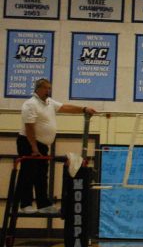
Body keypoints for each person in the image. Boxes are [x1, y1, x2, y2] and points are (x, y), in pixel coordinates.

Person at [17, 78, 96, 214]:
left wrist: (84, 109)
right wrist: (34, 148)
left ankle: (43, 205)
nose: (48, 90)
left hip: (42, 145)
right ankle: (25, 205)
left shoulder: (49, 102)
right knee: (28, 174)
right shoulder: (30, 104)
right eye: (46, 88)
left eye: (49, 88)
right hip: (28, 143)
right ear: (38, 89)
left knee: (42, 175)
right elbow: (29, 128)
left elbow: (65, 107)